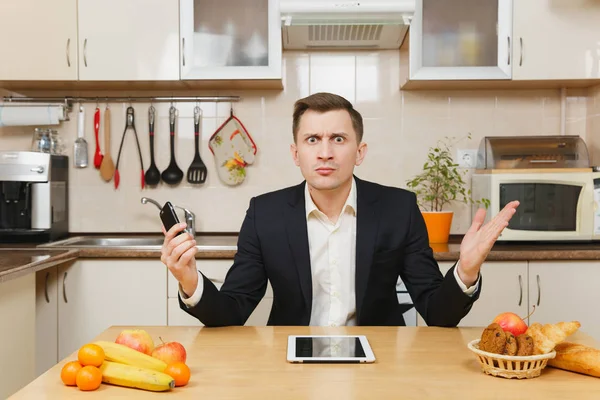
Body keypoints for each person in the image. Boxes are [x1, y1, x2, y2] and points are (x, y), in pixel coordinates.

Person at [160, 92, 519, 327]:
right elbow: (233, 310)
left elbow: (436, 313)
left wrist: (466, 271)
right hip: (290, 360)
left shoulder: (399, 208)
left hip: (380, 361)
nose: (325, 152)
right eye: (312, 139)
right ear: (296, 153)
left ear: (359, 152)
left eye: (339, 139)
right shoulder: (264, 214)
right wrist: (190, 280)